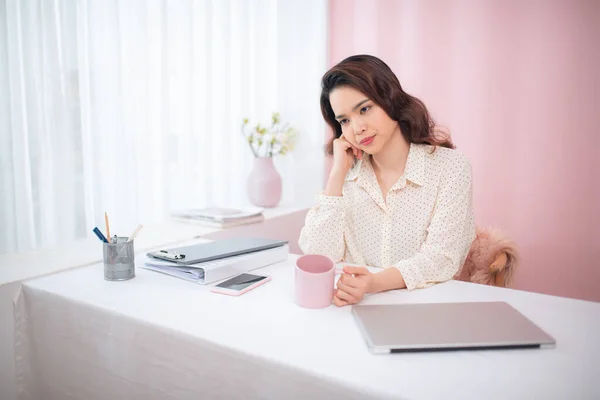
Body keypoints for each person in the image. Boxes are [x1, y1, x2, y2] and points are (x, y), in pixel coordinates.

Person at [298, 55, 476, 307]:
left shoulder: (450, 167)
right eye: (344, 121)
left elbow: (442, 258)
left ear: (390, 100)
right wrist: (337, 174)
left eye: (364, 109)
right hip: (350, 310)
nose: (357, 127)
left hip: (426, 308)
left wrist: (373, 283)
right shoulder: (348, 174)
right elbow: (319, 256)